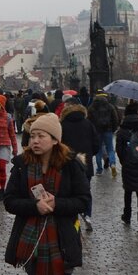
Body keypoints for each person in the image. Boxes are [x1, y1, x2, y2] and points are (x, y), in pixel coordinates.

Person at [3, 113, 91, 275]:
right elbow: (9, 200)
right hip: (30, 238)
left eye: (41, 136)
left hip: (61, 237)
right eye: (32, 136)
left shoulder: (71, 165)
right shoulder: (21, 165)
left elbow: (83, 200)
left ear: (55, 140)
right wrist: (34, 206)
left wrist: (56, 204)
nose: (35, 140)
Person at [59, 96, 99, 233]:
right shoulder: (88, 124)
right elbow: (96, 144)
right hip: (85, 164)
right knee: (85, 190)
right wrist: (89, 154)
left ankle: (74, 219)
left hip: (67, 163)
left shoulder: (62, 125)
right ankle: (88, 215)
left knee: (69, 191)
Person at [114, 101, 138, 229]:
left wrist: (123, 161)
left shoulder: (122, 129)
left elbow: (118, 148)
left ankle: (127, 216)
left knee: (128, 191)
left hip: (128, 164)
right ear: (137, 113)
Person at [87, 91, 120, 177]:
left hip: (97, 131)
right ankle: (112, 164)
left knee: (98, 151)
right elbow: (115, 118)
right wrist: (114, 129)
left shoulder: (92, 107)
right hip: (108, 130)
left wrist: (91, 131)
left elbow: (89, 120)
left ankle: (99, 170)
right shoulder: (110, 106)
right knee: (110, 149)